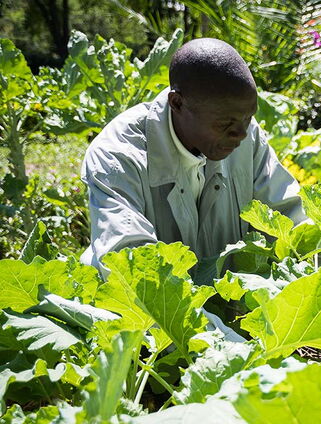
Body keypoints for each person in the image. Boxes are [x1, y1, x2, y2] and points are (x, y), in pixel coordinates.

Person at [80, 38, 306, 275]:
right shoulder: (116, 157)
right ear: (177, 103)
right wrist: (202, 314)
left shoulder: (245, 134)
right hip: (142, 310)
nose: (240, 133)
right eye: (224, 124)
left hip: (223, 309)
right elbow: (132, 265)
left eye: (248, 118)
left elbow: (291, 219)